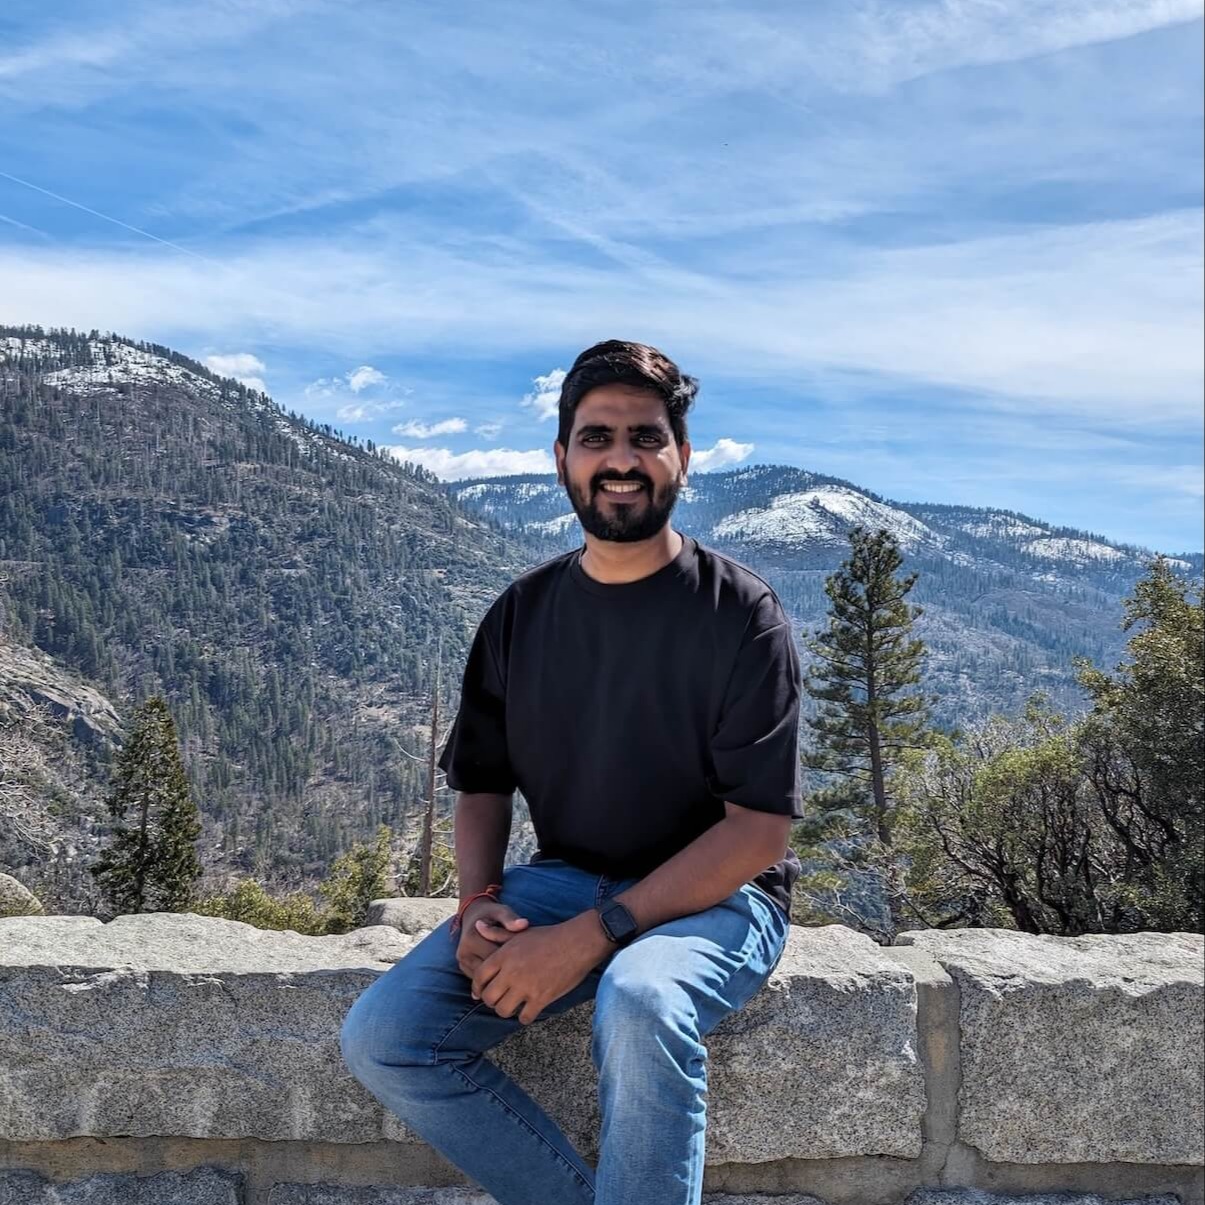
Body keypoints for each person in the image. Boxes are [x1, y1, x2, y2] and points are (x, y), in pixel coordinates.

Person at [340, 340, 803, 1205]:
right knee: (386, 1035)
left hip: (721, 897)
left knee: (640, 997)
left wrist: (594, 934)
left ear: (681, 456)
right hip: (562, 881)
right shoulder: (523, 612)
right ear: (561, 458)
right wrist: (479, 902)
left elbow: (758, 829)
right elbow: (481, 781)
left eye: (644, 436)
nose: (620, 459)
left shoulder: (741, 613)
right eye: (596, 438)